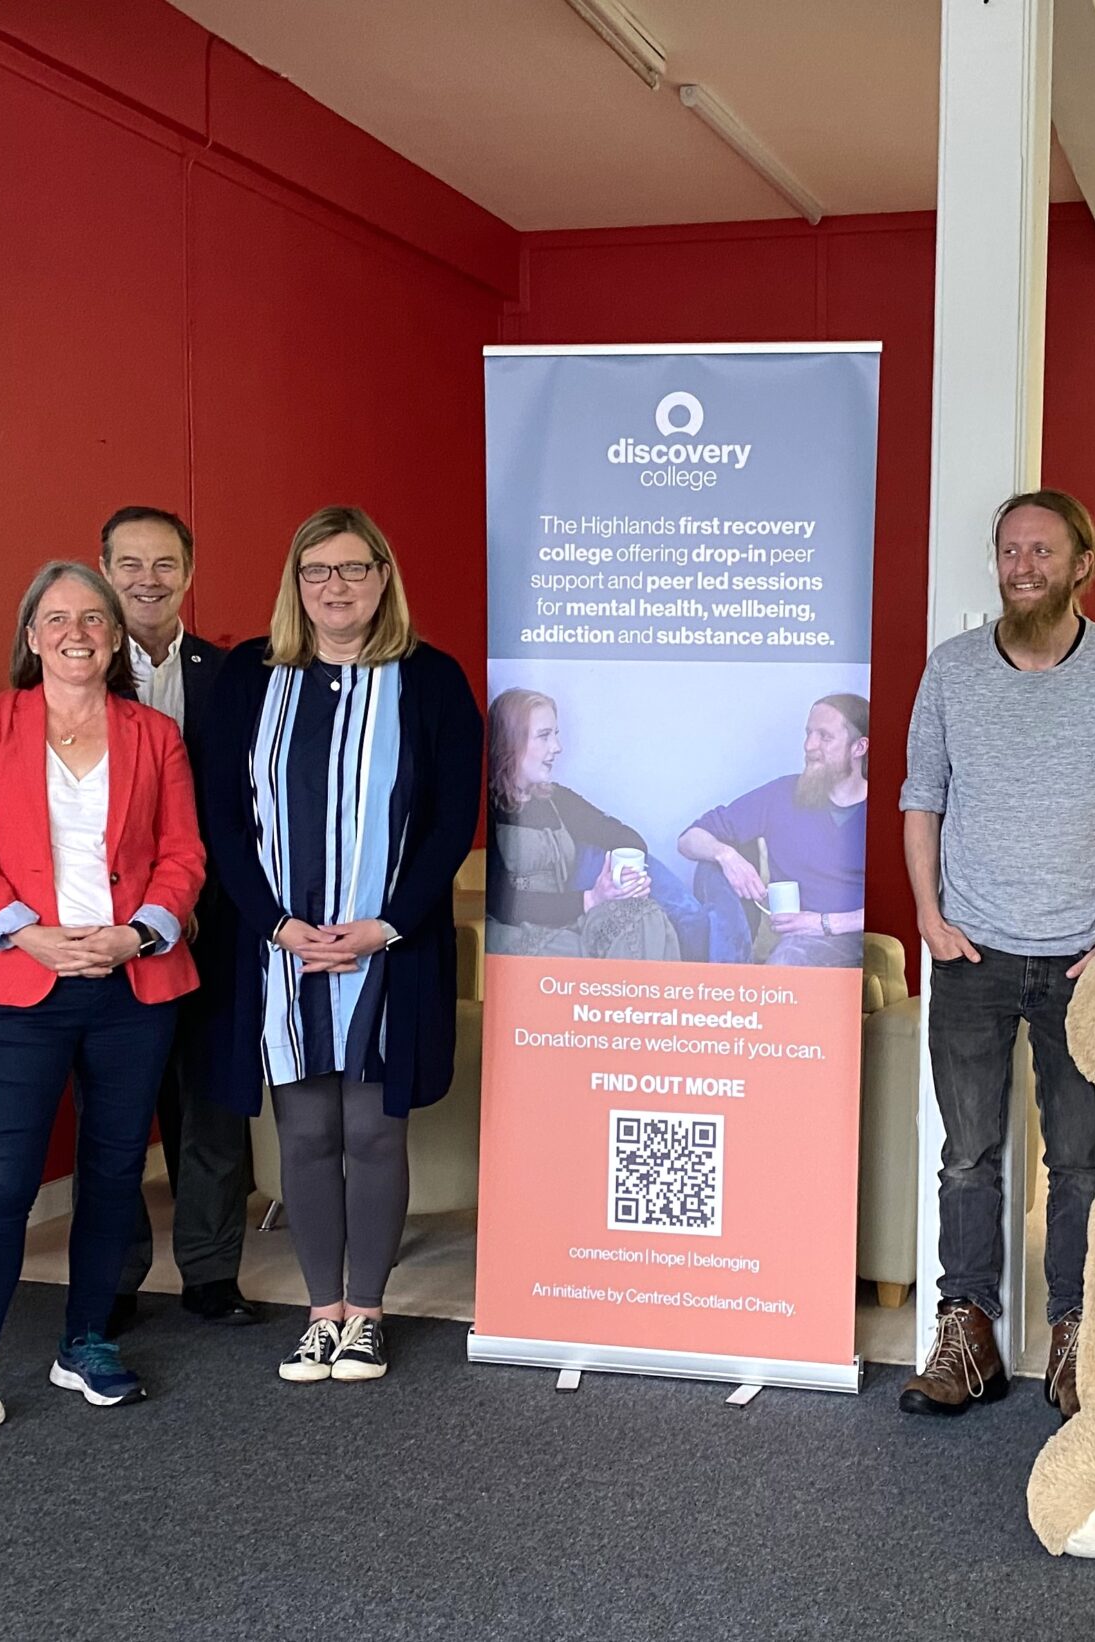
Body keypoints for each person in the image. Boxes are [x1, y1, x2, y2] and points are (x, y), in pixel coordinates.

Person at [0, 562, 206, 1459]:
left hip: (129, 986)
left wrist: (137, 935)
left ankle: (86, 1344)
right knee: (0, 1188)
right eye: (58, 618)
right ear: (32, 636)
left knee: (114, 1172)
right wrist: (25, 933)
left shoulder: (155, 735)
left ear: (115, 637)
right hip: (23, 983)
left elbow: (184, 854)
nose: (78, 632)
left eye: (95, 619)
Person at [194, 505, 482, 1386]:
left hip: (387, 949)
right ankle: (319, 1316)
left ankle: (368, 1314)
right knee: (305, 1134)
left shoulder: (429, 679)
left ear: (383, 578)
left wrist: (386, 924)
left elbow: (451, 818)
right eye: (317, 571)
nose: (335, 587)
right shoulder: (250, 676)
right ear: (296, 584)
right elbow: (222, 818)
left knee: (372, 1132)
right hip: (276, 950)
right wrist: (275, 923)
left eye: (354, 569)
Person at [899, 488, 1095, 1421]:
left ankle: (1076, 1338)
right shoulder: (953, 669)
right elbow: (921, 797)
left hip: (1081, 960)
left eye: (1042, 550)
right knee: (967, 1157)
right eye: (1010, 548)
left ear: (1080, 563)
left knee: (1081, 1162)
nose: (1022, 565)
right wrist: (929, 915)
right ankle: (967, 1335)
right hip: (969, 949)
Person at [100, 505, 263, 1333]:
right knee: (121, 1108)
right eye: (130, 564)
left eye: (164, 564)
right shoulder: (78, 673)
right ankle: (117, 1276)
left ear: (189, 575)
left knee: (213, 1109)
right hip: (115, 932)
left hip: (219, 929)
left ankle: (210, 1273)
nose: (147, 581)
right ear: (105, 570)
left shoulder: (232, 675)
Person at [485, 687, 681, 961]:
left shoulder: (559, 799)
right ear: (510, 742)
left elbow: (628, 837)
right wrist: (589, 899)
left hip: (569, 919)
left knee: (645, 914)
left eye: (555, 734)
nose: (557, 747)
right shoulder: (485, 806)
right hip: (513, 930)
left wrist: (626, 878)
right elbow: (500, 902)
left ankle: (647, 1003)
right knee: (582, 952)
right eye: (544, 736)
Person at [677, 693, 870, 967]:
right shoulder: (781, 794)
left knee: (789, 959)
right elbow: (688, 839)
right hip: (798, 943)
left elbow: (904, 904)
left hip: (860, 939)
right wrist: (726, 855)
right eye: (808, 733)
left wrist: (824, 923)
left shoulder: (885, 812)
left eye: (824, 737)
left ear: (859, 747)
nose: (809, 746)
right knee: (788, 958)